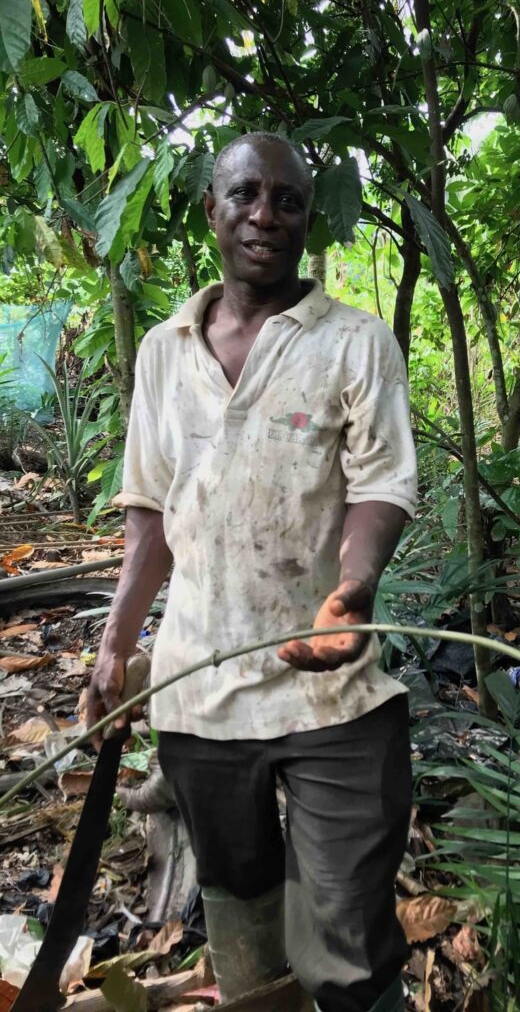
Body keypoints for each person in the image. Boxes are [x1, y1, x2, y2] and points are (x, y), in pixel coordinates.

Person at [87, 131, 418, 1012]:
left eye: (288, 200)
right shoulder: (164, 352)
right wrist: (117, 645)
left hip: (330, 694)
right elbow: (152, 517)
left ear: (310, 220)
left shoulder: (354, 343)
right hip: (199, 689)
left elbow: (380, 487)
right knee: (242, 917)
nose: (265, 216)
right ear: (212, 209)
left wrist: (352, 592)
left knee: (346, 931)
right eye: (245, 195)